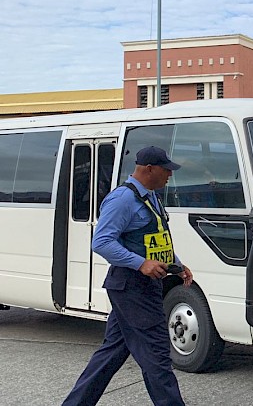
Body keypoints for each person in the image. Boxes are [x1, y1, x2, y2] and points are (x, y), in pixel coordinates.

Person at [63, 146, 192, 406]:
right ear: (149, 169)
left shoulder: (151, 197)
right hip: (133, 288)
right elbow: (101, 242)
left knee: (111, 353)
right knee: (157, 355)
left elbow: (154, 240)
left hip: (141, 287)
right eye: (166, 169)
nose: (169, 175)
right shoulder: (123, 199)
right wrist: (140, 264)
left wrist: (176, 265)